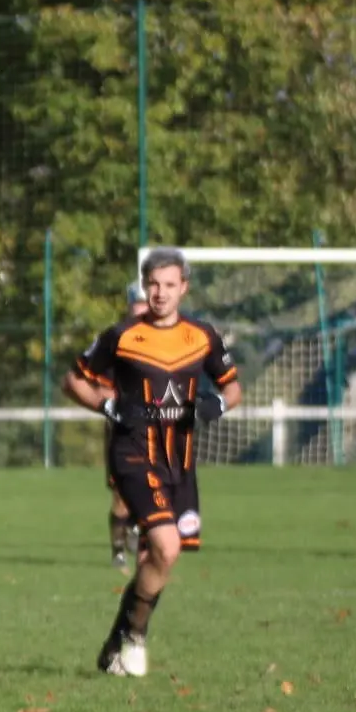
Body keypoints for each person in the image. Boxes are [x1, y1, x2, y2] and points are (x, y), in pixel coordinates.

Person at [64, 248, 242, 677]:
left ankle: (116, 643)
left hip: (179, 463)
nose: (160, 293)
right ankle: (136, 637)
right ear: (145, 287)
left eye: (169, 285)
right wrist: (108, 407)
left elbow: (233, 388)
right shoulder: (122, 336)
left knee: (158, 558)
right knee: (166, 545)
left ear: (184, 288)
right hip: (132, 454)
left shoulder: (202, 336)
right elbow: (74, 380)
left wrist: (215, 406)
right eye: (153, 285)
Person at [104, 282, 150, 569]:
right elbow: (99, 382)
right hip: (123, 427)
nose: (143, 309)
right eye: (138, 303)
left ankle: (136, 529)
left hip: (155, 427)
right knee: (122, 493)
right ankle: (118, 552)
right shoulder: (117, 340)